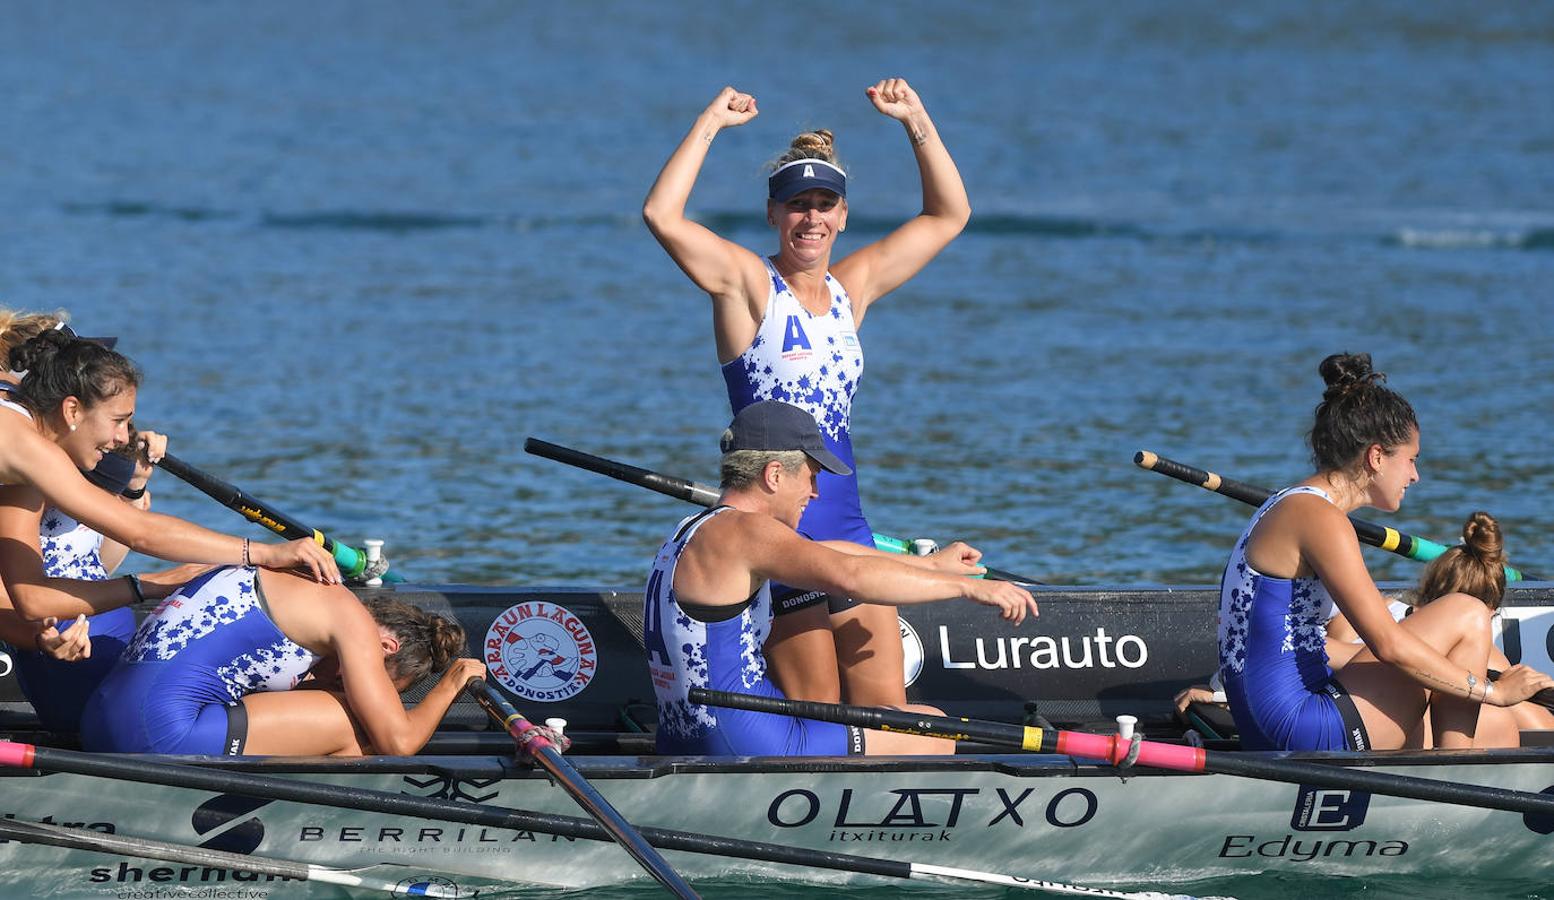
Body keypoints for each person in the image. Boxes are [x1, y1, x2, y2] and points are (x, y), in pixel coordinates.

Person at [644, 78, 972, 710]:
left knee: (889, 710)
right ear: (774, 214)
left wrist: (915, 118)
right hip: (777, 522)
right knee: (817, 705)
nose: (812, 218)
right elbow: (662, 216)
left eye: (826, 204)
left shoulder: (855, 288)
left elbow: (948, 216)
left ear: (844, 216)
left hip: (845, 516)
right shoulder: (746, 284)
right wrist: (710, 121)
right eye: (798, 205)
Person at [645, 400, 1036, 756]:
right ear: (775, 475)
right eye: (811, 476)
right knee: (934, 730)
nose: (815, 492)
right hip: (747, 740)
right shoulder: (748, 531)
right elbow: (848, 576)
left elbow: (837, 554)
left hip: (684, 734)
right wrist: (969, 587)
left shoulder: (695, 530)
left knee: (887, 718)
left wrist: (933, 567)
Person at [1217, 352, 1553, 751]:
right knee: (1467, 612)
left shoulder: (1288, 503)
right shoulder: (1320, 518)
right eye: (1410, 460)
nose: (1415, 475)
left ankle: (1453, 764)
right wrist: (1491, 691)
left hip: (1272, 715)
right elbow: (1389, 645)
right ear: (1376, 457)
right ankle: (1455, 779)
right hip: (1300, 725)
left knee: (1476, 706)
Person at [0, 327, 339, 598]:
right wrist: (264, 553)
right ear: (72, 409)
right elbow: (140, 533)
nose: (123, 438)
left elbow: (30, 598)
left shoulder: (14, 398)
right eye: (117, 420)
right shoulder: (31, 449)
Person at [82, 572, 484, 756]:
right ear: (385, 644)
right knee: (361, 728)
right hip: (155, 735)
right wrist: (451, 683)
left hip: (96, 719)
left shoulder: (293, 585)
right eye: (360, 682)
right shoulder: (353, 620)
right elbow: (398, 743)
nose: (341, 685)